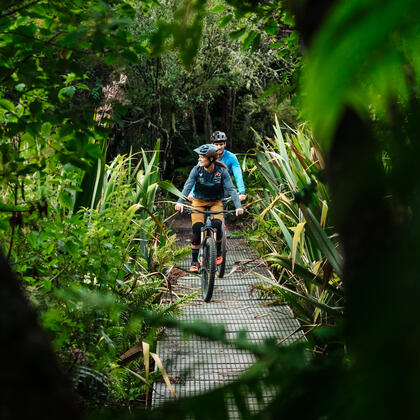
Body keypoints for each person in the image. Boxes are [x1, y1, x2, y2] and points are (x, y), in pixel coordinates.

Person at [175, 144, 244, 272]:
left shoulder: (221, 171)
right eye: (199, 157)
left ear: (211, 159)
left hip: (215, 201)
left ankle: (217, 251)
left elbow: (231, 189)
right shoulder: (196, 170)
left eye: (202, 157)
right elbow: (188, 186)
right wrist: (180, 202)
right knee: (196, 229)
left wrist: (238, 206)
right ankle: (194, 261)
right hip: (199, 201)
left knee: (217, 224)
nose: (199, 159)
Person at [187, 131, 246, 202]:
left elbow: (238, 175)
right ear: (212, 145)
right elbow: (196, 175)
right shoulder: (205, 156)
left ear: (225, 144)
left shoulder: (231, 157)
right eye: (216, 144)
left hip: (223, 189)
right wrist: (191, 192)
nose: (219, 147)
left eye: (221, 144)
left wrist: (242, 192)